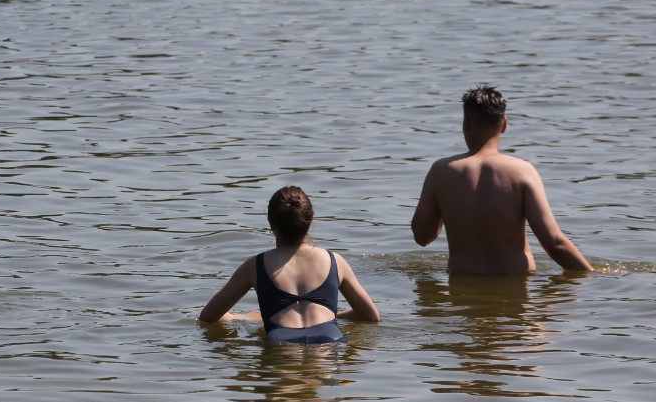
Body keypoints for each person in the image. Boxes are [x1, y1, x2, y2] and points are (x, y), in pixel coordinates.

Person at [411, 84, 593, 275]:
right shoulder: (522, 171)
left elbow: (422, 237)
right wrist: (593, 276)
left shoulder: (441, 172)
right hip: (516, 282)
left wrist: (445, 202)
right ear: (504, 124)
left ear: (466, 123)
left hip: (464, 282)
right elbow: (555, 244)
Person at [199, 186, 380, 343]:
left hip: (280, 340)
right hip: (330, 337)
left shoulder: (255, 266)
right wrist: (332, 317)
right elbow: (370, 316)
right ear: (311, 220)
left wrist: (246, 318)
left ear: (271, 225)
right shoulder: (335, 261)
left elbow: (208, 317)